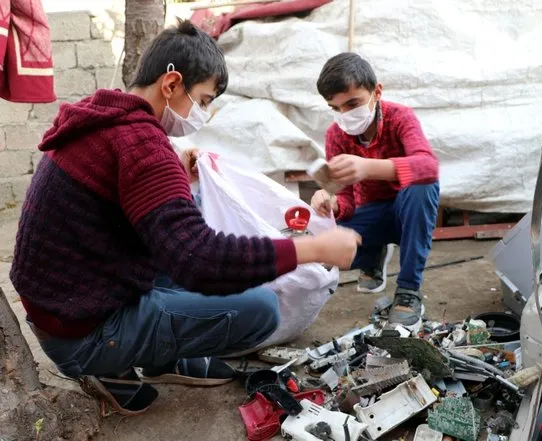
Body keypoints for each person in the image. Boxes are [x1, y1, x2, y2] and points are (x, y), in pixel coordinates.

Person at [9, 21, 360, 416]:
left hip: (58, 312)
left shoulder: (104, 120)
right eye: (204, 100)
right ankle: (118, 365)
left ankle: (160, 355)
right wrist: (310, 248)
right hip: (84, 336)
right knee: (262, 308)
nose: (203, 115)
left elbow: (147, 224)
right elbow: (200, 260)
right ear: (171, 84)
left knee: (185, 255)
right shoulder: (141, 146)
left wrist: (183, 182)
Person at [311, 52, 440, 328]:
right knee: (329, 242)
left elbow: (428, 166)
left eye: (353, 103)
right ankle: (373, 255)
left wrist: (369, 167)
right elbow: (344, 195)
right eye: (336, 109)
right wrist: (331, 202)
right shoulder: (336, 134)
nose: (345, 115)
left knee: (422, 187)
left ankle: (408, 290)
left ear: (376, 91)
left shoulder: (400, 117)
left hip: (408, 211)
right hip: (372, 214)